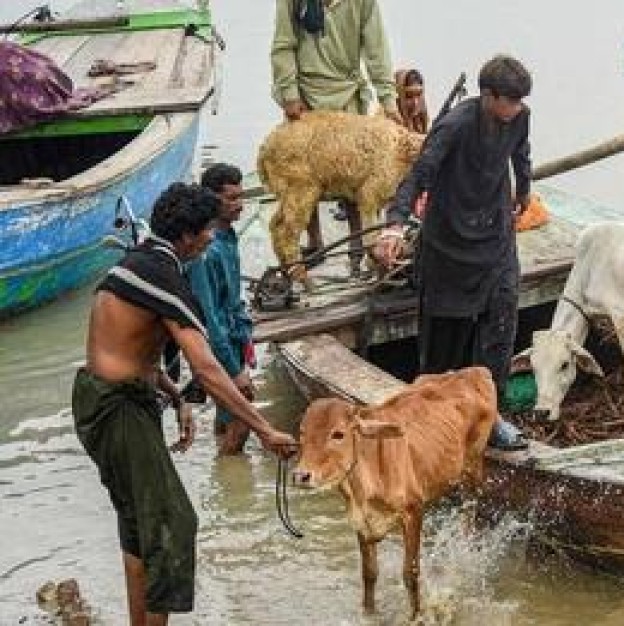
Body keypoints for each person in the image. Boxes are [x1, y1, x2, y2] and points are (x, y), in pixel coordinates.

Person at [73, 183, 296, 624]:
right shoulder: (164, 276)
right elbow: (209, 370)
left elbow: (128, 345)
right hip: (117, 407)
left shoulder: (139, 262)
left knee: (139, 522)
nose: (213, 237)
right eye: (209, 230)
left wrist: (173, 395)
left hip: (105, 398)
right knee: (172, 523)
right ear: (189, 236)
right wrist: (265, 429)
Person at [375, 55, 532, 451]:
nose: (515, 109)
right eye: (509, 101)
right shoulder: (455, 126)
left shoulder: (520, 117)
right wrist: (395, 224)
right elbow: (419, 176)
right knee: (445, 343)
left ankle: (491, 415)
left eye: (520, 102)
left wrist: (525, 189)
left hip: (496, 239)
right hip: (449, 246)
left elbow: (521, 154)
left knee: (501, 328)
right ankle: (430, 419)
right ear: (488, 96)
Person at [270, 0, 402, 257]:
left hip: (347, 93)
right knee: (303, 176)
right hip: (306, 94)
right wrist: (289, 94)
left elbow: (376, 49)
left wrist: (388, 100)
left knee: (354, 172)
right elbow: (283, 45)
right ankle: (315, 241)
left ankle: (357, 245)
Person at [188, 164, 254, 455]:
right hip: (221, 347)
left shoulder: (227, 238)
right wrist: (233, 369)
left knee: (228, 415)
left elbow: (230, 302)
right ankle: (230, 479)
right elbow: (210, 320)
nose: (238, 206)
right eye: (231, 199)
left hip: (234, 338)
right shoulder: (207, 251)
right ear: (210, 199)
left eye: (240, 197)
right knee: (243, 419)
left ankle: (223, 459)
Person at [394, 67, 430, 133]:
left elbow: (425, 119)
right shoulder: (399, 99)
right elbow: (407, 120)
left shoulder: (422, 101)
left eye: (418, 95)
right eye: (410, 97)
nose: (415, 102)